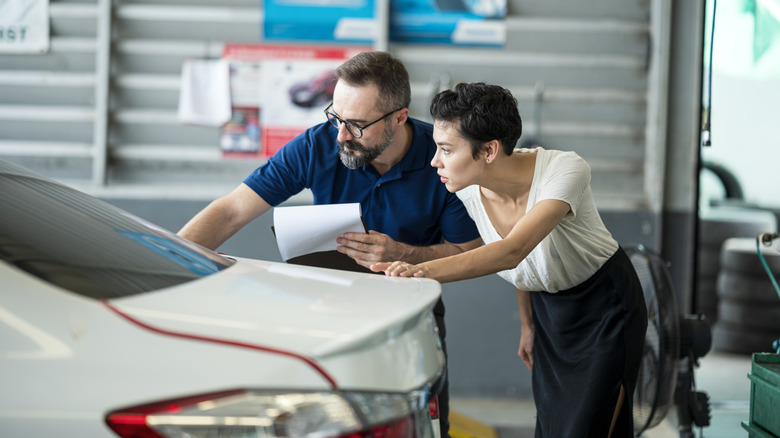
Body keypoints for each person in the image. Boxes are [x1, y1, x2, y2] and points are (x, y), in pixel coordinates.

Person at [177, 51, 483, 437]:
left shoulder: (442, 159)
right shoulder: (318, 144)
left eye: (356, 125)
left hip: (408, 317)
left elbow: (469, 253)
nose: (340, 135)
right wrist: (163, 262)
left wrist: (405, 255)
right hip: (328, 311)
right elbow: (233, 210)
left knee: (422, 425)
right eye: (335, 117)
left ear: (398, 117)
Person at [371, 82, 648, 438]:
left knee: (588, 427)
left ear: (488, 150)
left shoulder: (564, 171)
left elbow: (513, 249)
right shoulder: (468, 189)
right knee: (552, 426)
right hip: (549, 313)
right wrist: (528, 323)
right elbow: (522, 265)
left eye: (445, 149)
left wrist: (418, 272)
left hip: (605, 308)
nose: (434, 161)